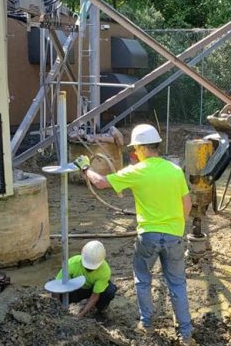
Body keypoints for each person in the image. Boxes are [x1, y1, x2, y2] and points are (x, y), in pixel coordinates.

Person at [74, 124, 194, 345]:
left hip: (147, 235)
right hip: (174, 235)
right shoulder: (175, 170)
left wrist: (84, 168)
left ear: (140, 148)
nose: (135, 153)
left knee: (142, 280)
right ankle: (186, 335)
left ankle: (147, 325)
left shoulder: (137, 171)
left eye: (136, 149)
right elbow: (187, 205)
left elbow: (100, 182)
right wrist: (175, 227)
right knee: (177, 284)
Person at [54, 240, 117, 319]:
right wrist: (57, 307)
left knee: (109, 291)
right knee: (57, 289)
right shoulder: (72, 264)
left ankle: (102, 308)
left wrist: (80, 315)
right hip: (74, 290)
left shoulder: (105, 271)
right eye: (86, 267)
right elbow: (56, 286)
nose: (89, 269)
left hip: (91, 290)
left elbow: (95, 295)